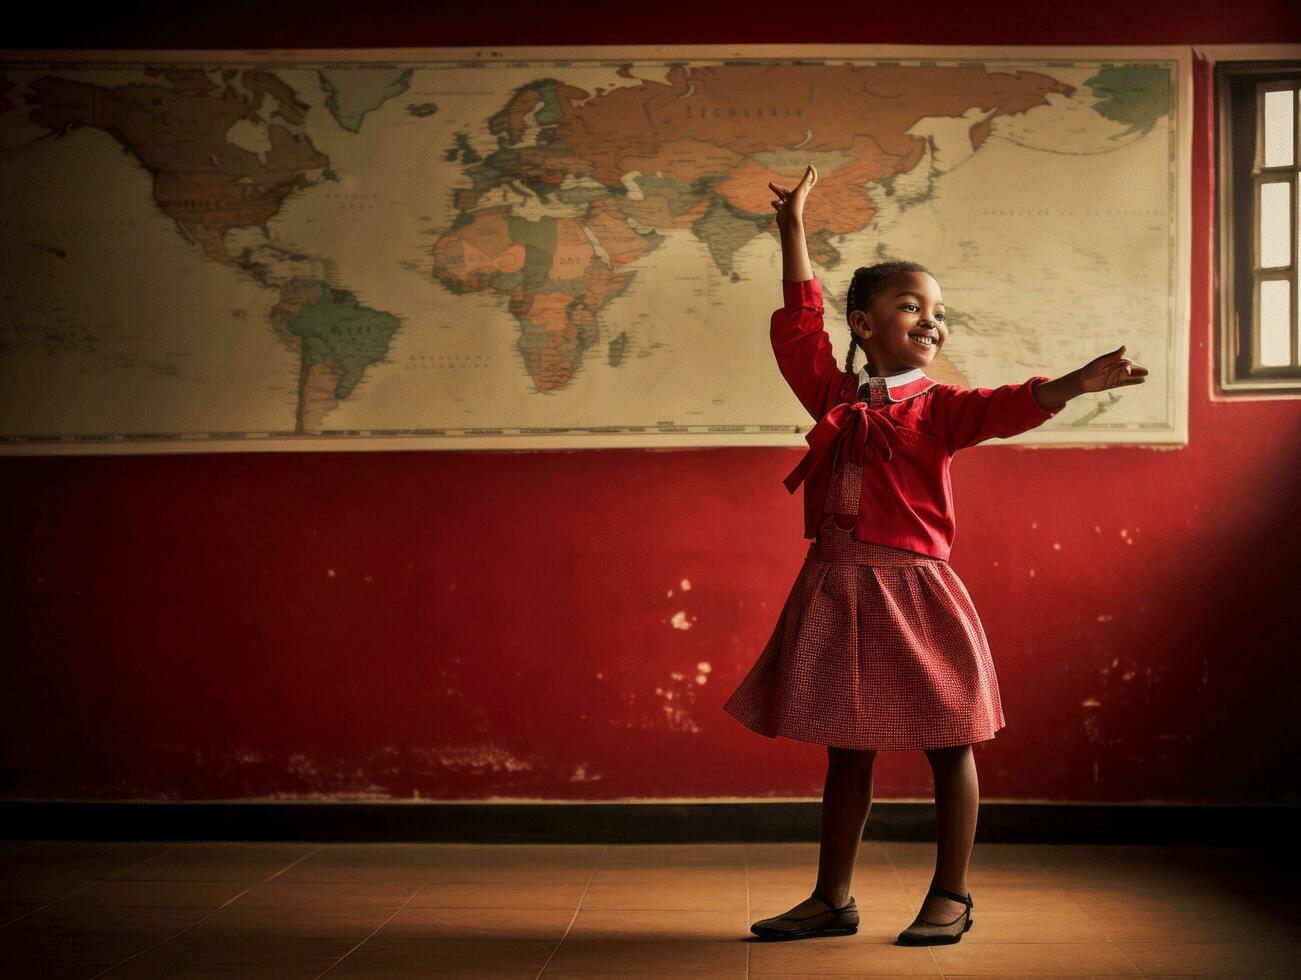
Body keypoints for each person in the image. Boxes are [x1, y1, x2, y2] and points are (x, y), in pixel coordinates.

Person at [724, 164, 1148, 946]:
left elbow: (1010, 406)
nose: (929, 319)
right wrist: (791, 230)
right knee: (845, 749)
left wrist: (1072, 385)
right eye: (909, 305)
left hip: (914, 590)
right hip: (835, 586)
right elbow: (796, 325)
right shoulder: (831, 396)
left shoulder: (944, 409)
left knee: (948, 742)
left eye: (937, 311)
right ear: (862, 325)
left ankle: (949, 894)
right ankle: (832, 899)